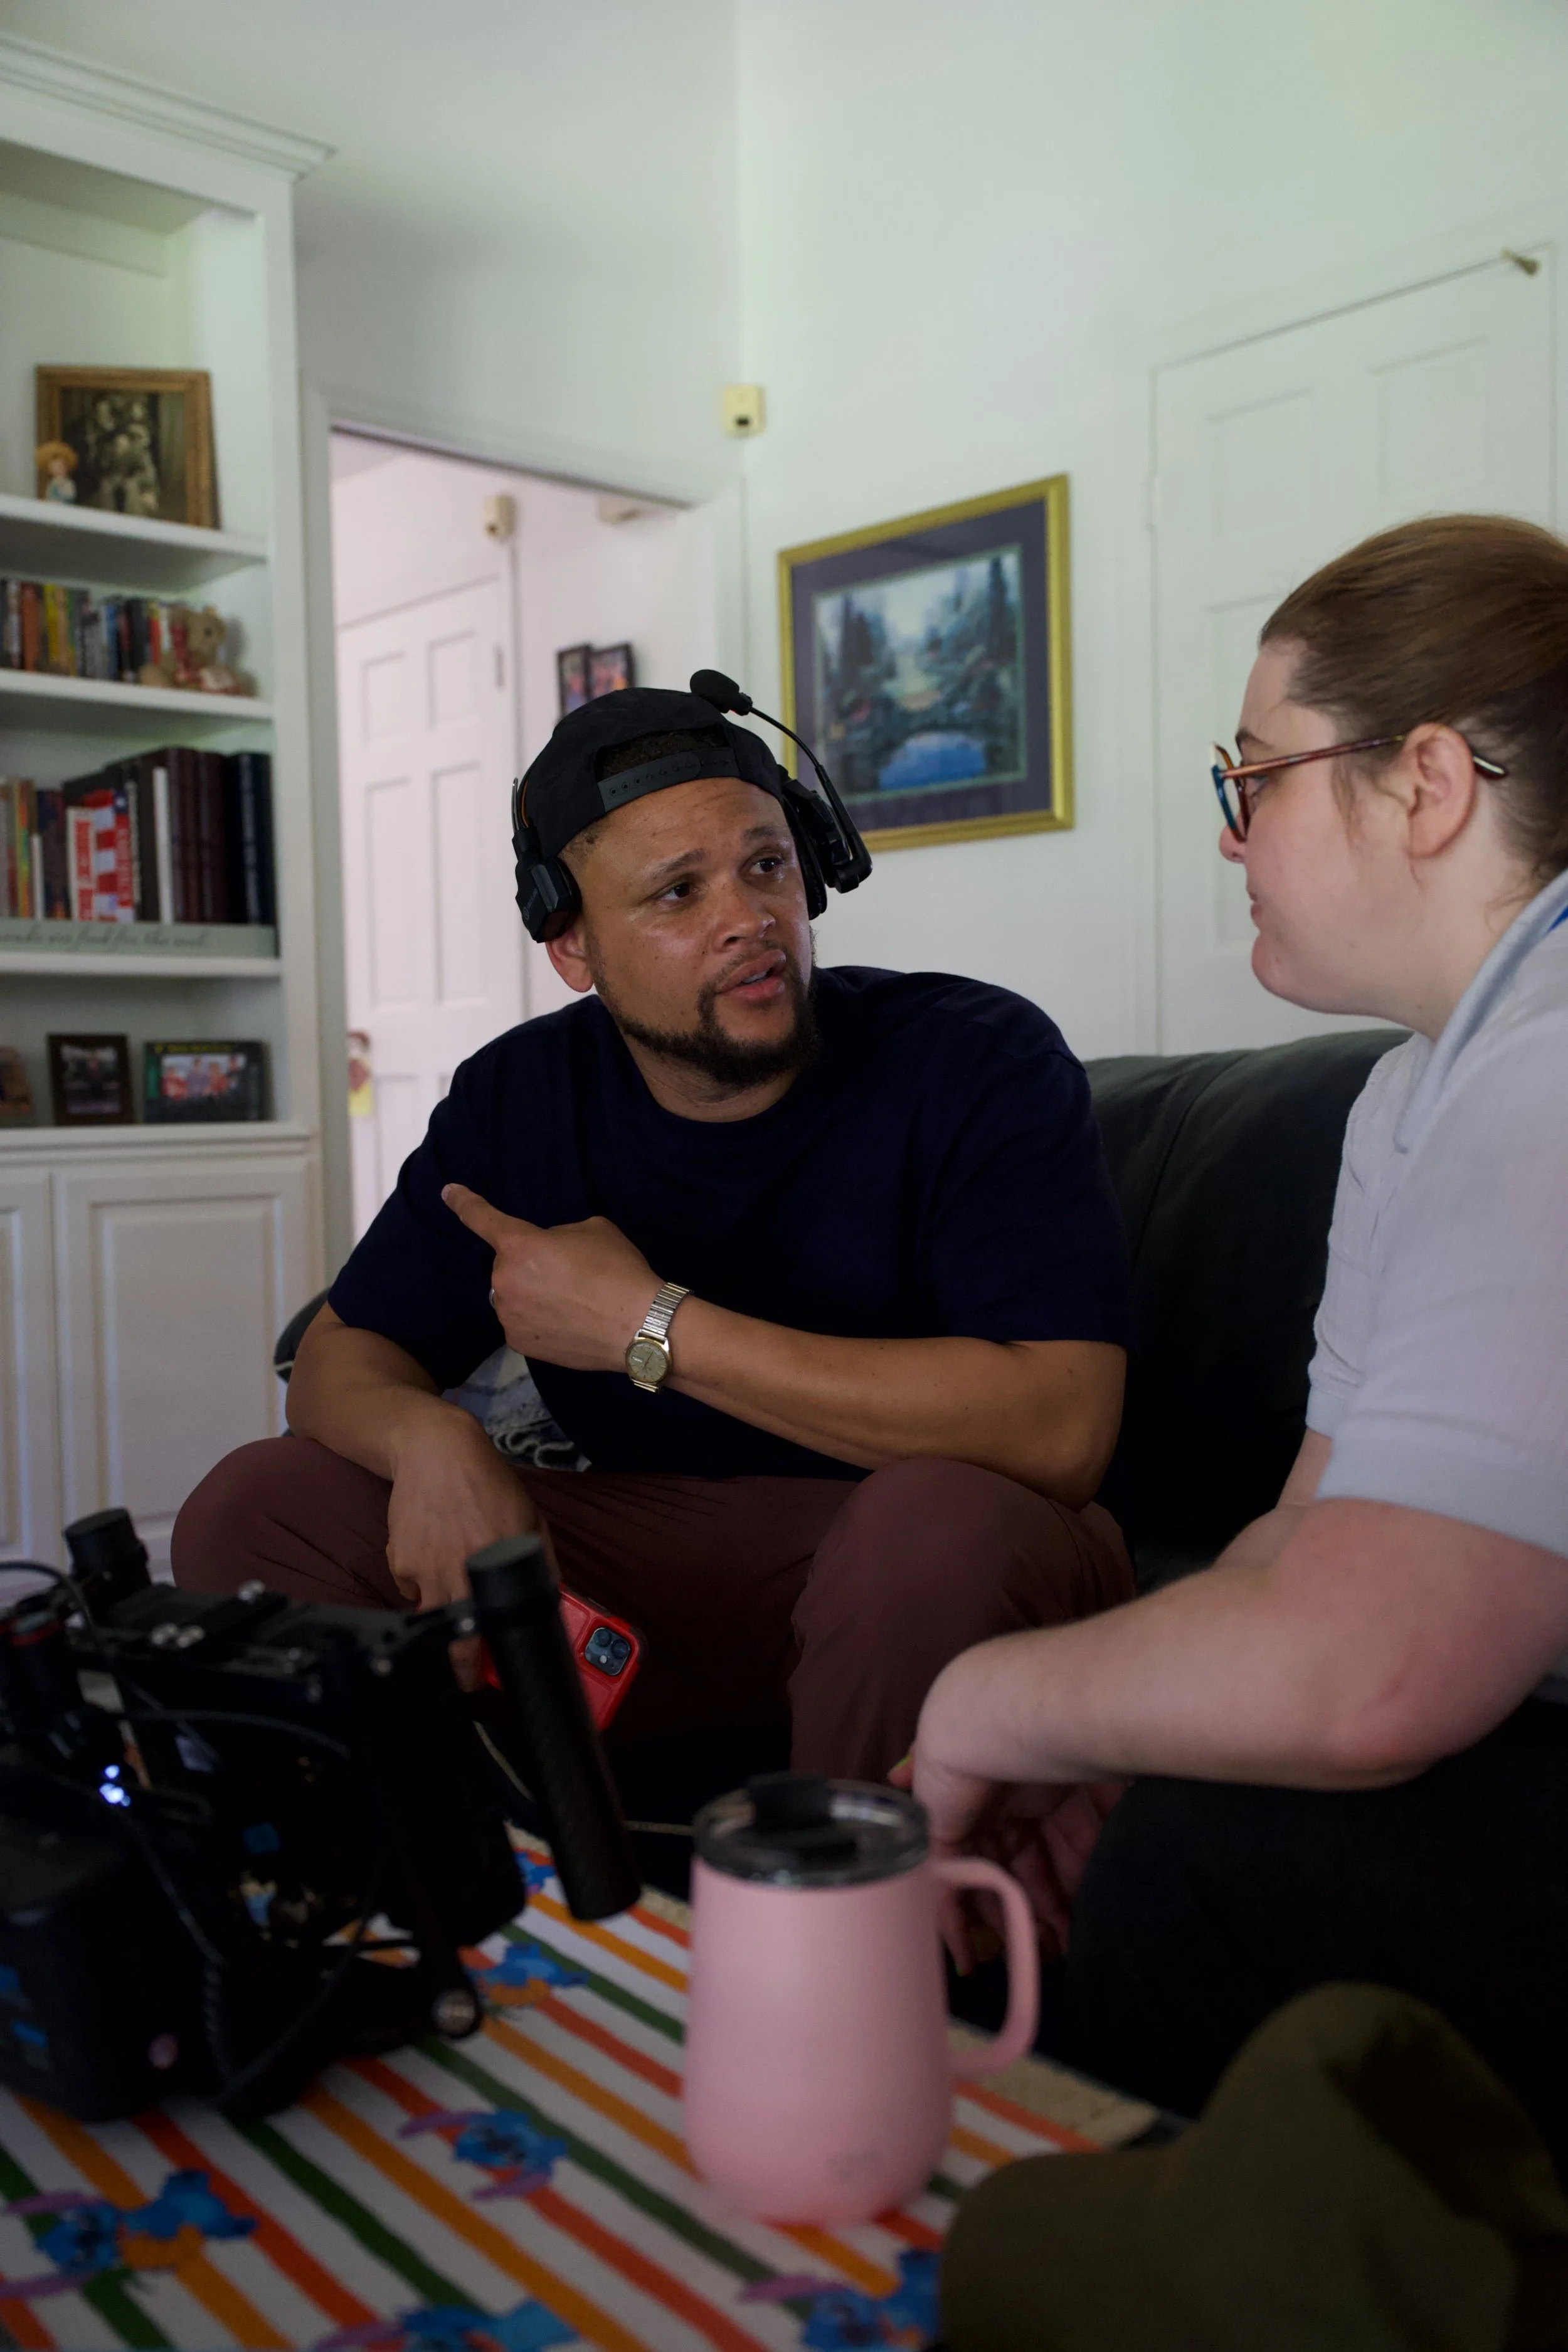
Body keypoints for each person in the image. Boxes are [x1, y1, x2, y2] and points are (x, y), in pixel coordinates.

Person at [900, 514, 1568, 2164]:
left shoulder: (1549, 1072)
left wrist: (995, 1702)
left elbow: (1368, 1660)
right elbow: (1304, 1538)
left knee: (1225, 1847)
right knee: (1185, 1793)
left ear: (1425, 784)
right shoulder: (1423, 1088)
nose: (1230, 833)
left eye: (1250, 775)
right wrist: (1124, 1709)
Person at [173, 686, 1133, 1781]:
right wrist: (429, 1441)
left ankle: (843, 1932)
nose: (750, 918)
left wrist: (648, 1324)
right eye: (679, 892)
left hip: (931, 1561)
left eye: (767, 865)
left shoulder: (976, 1059)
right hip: (652, 1565)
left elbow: (1062, 1430)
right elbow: (344, 1357)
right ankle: (466, 1901)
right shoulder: (519, 1099)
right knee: (259, 1504)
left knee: (933, 1525)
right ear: (573, 947)